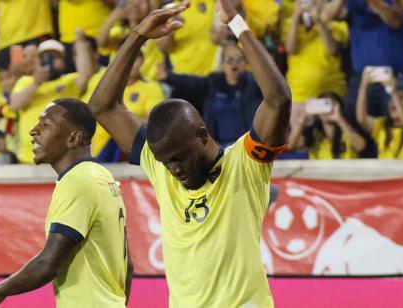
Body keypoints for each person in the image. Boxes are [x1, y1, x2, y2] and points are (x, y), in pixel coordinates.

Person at [88, 1, 291, 306]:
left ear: (202, 135)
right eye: (166, 162)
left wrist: (235, 23)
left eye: (178, 158)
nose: (173, 170)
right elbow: (103, 107)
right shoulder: (160, 164)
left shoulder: (245, 164)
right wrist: (139, 35)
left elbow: (278, 100)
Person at [0, 99, 132, 308]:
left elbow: (49, 263)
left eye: (45, 125)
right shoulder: (102, 176)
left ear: (74, 138)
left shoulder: (77, 181)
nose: (34, 131)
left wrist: (0, 290)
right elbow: (128, 266)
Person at [157, 39, 261, 147]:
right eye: (229, 59)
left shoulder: (253, 83)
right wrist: (168, 77)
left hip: (248, 147)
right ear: (222, 65)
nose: (234, 63)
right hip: (220, 148)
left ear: (245, 63)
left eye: (239, 59)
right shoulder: (213, 83)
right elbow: (190, 82)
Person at [10, 32, 93, 164]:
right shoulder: (26, 81)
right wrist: (36, 83)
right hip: (28, 157)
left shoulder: (68, 81)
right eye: (44, 56)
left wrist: (80, 42)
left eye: (55, 57)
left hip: (61, 158)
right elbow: (14, 104)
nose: (49, 60)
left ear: (64, 61)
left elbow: (85, 75)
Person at [284, 0, 348, 128]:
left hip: (331, 94)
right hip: (299, 95)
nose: (312, 2)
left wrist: (319, 21)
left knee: (331, 139)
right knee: (300, 143)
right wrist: (296, 20)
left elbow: (332, 49)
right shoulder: (290, 24)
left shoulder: (338, 25)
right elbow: (290, 49)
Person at [356, 67, 403, 159]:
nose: (395, 102)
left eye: (402, 98)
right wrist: (363, 85)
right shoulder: (382, 125)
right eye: (393, 99)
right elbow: (361, 118)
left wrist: (393, 92)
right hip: (386, 172)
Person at [288, 92, 366, 159]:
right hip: (320, 175)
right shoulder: (313, 132)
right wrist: (302, 120)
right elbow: (290, 146)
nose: (325, 110)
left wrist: (339, 119)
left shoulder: (348, 128)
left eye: (328, 105)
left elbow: (360, 146)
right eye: (321, 105)